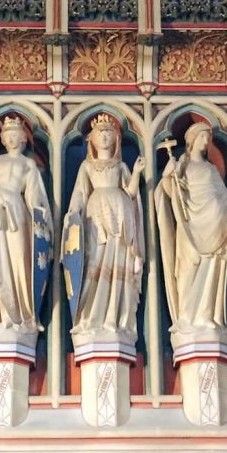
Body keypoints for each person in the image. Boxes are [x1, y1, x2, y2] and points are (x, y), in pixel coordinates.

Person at [155, 121, 227, 336]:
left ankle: (207, 315)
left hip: (216, 220)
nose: (206, 141)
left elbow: (222, 194)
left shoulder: (210, 168)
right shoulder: (183, 165)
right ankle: (187, 315)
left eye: (208, 137)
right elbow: (169, 192)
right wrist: (168, 176)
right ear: (192, 140)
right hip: (189, 223)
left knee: (212, 266)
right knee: (188, 265)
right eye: (203, 137)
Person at [0, 112, 52, 334]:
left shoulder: (29, 165)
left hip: (18, 210)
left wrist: (41, 223)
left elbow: (34, 197)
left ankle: (21, 313)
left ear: (24, 138)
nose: (12, 138)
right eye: (7, 134)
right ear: (2, 139)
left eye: (16, 134)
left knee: (19, 260)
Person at [64, 113, 146, 343]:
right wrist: (72, 215)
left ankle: (114, 317)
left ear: (117, 138)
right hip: (95, 216)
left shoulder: (120, 166)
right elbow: (80, 193)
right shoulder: (86, 167)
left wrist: (138, 172)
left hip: (120, 216)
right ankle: (92, 317)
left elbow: (130, 193)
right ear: (91, 138)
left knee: (119, 261)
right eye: (101, 132)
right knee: (95, 262)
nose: (105, 136)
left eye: (110, 132)